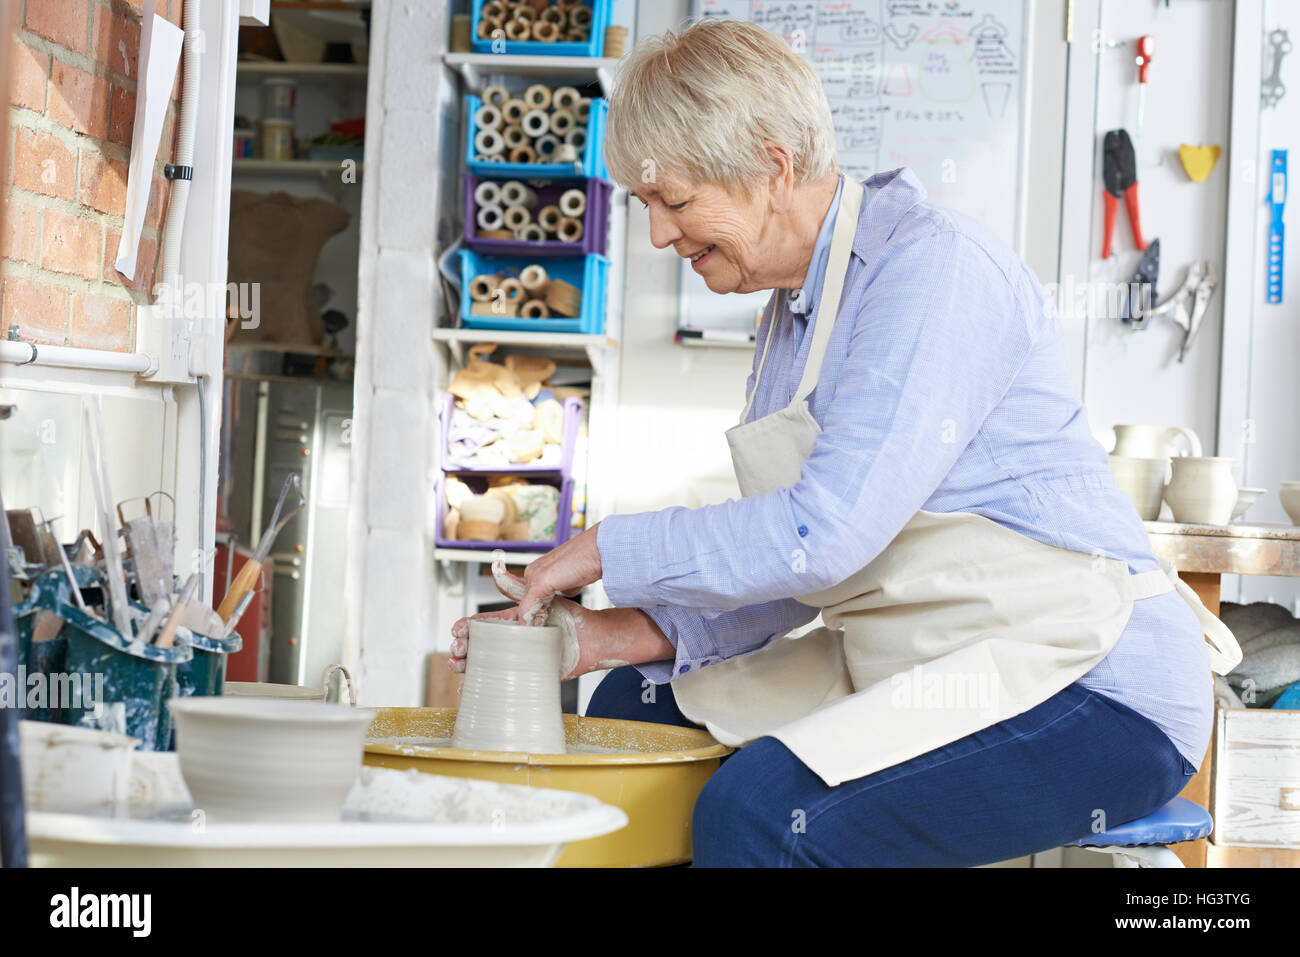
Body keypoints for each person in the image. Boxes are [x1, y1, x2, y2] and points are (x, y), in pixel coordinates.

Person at [449, 19, 1240, 867]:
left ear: (772, 167)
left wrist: (611, 544)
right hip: (919, 647)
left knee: (757, 813)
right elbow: (794, 571)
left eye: (674, 202)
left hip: (1087, 678)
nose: (659, 236)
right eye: (648, 205)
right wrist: (615, 635)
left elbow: (820, 539)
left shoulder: (931, 274)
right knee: (629, 717)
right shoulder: (791, 318)